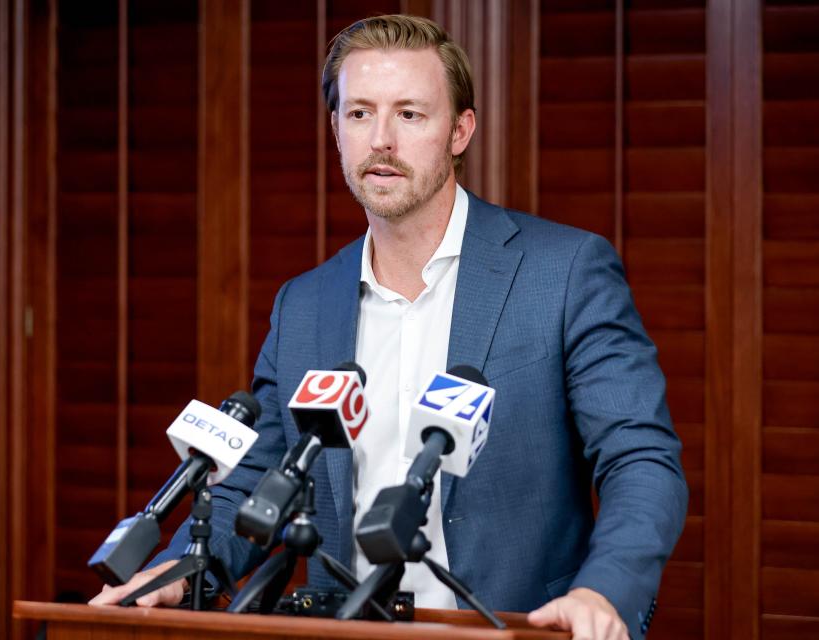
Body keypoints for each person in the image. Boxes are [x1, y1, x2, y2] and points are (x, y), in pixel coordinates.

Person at [91, 15, 687, 640]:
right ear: (336, 131)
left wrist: (604, 590)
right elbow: (256, 480)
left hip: (515, 628)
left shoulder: (563, 274)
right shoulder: (305, 304)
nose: (381, 140)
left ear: (460, 130)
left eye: (409, 114)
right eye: (359, 114)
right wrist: (172, 575)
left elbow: (640, 459)